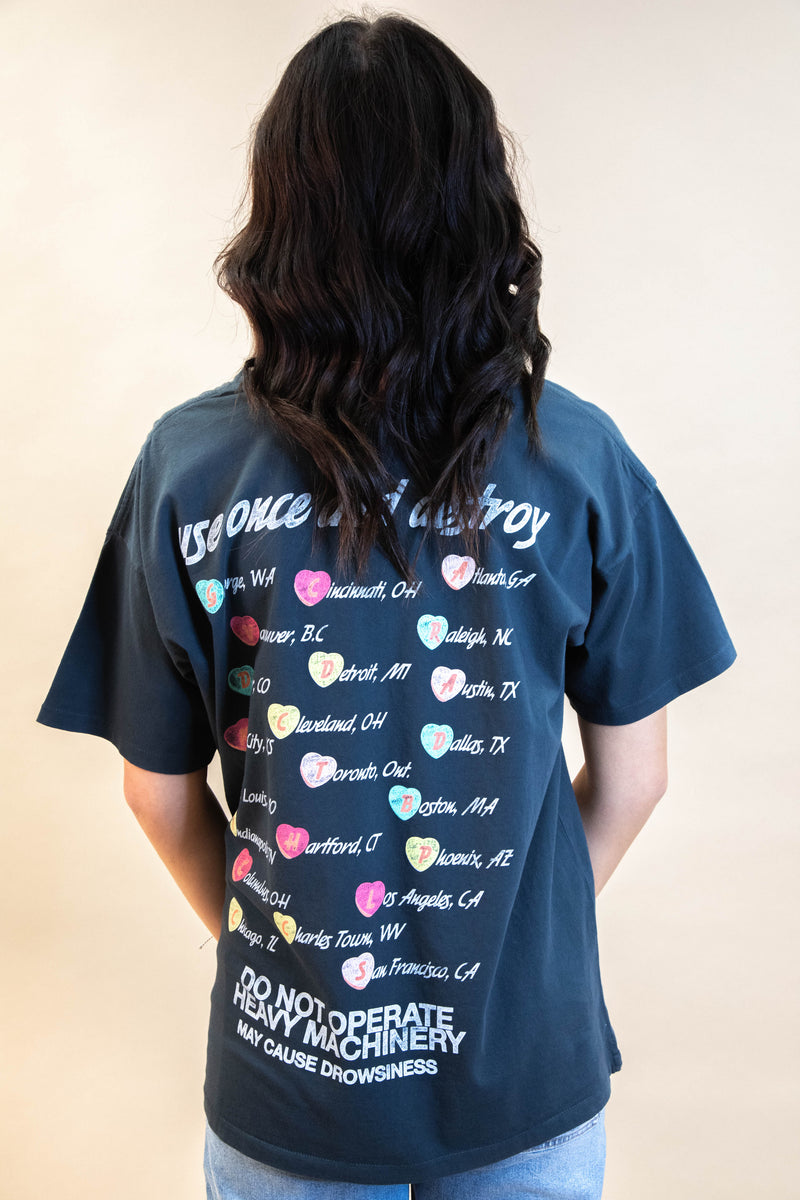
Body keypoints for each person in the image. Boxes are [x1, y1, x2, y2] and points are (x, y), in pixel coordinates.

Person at [38, 13, 735, 1199]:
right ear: (476, 205)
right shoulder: (577, 460)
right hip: (524, 1078)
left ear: (281, 218)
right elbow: (635, 781)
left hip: (285, 1086)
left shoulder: (187, 469)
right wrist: (507, 956)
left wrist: (274, 951)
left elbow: (157, 794)